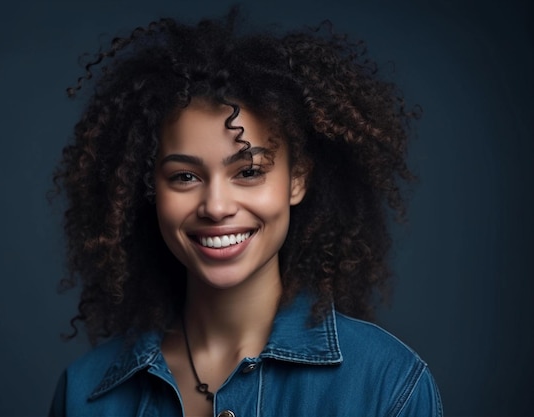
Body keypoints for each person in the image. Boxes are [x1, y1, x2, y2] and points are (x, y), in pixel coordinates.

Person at [49, 8, 442, 417]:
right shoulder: (84, 393)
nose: (216, 206)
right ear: (149, 189)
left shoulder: (389, 385)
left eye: (249, 171)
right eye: (184, 176)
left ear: (297, 179)